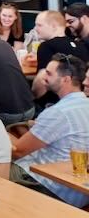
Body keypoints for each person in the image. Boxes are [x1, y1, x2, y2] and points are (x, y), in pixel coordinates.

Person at [11, 54, 89, 207]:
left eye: (48, 73)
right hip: (78, 192)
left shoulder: (58, 112)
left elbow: (18, 151)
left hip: (49, 186)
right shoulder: (82, 105)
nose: (42, 77)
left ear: (66, 79)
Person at [30, 10, 89, 107]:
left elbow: (42, 80)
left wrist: (33, 97)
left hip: (53, 104)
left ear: (53, 26)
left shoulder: (46, 46)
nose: (35, 29)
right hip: (79, 103)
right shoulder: (81, 45)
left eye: (39, 25)